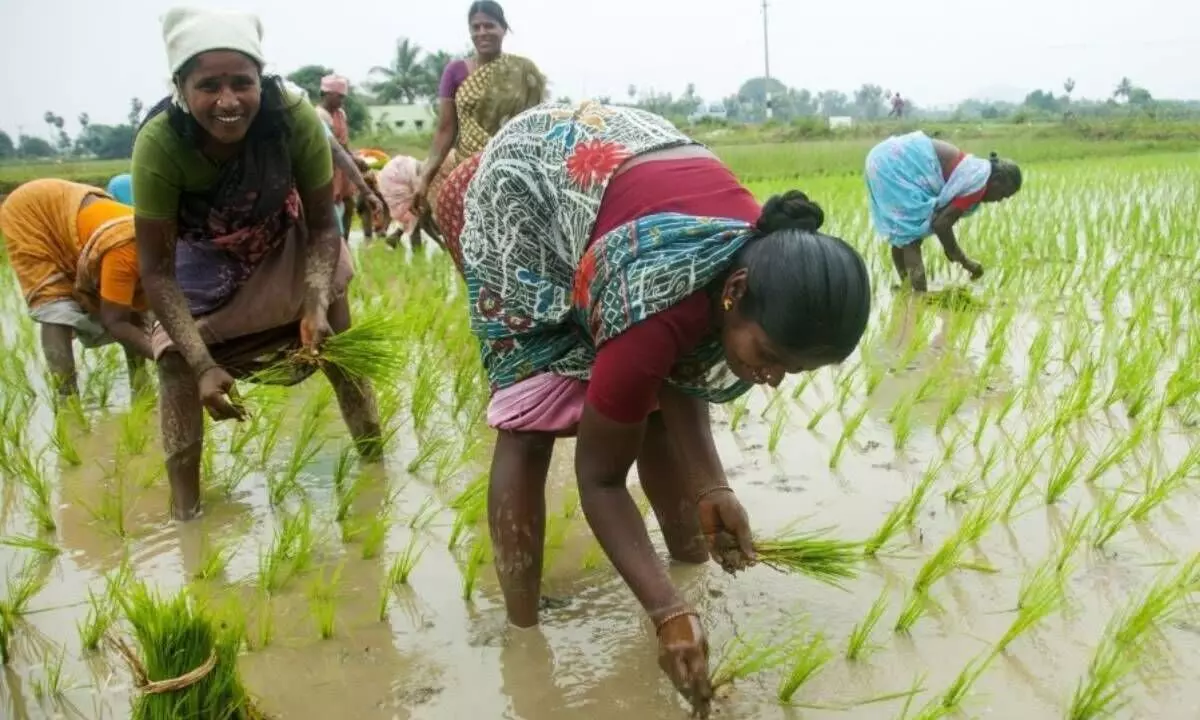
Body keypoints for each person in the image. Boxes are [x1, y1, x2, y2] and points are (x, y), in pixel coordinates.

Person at [438, 100, 871, 713]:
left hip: (616, 188)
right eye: (772, 356)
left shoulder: (758, 256)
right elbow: (600, 480)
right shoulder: (658, 299)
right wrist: (668, 611)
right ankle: (522, 633)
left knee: (652, 400)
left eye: (790, 371)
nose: (772, 379)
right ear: (736, 292)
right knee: (529, 422)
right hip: (528, 190)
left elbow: (683, 372)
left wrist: (713, 488)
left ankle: (684, 564)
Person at [132, 7, 383, 520]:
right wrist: (204, 364)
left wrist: (313, 304)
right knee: (175, 365)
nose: (228, 101)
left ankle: (376, 469)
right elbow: (156, 269)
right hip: (204, 265)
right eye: (209, 86)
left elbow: (321, 226)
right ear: (181, 86)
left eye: (242, 83)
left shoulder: (291, 118)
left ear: (260, 82)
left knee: (341, 341)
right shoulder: (160, 142)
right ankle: (188, 518)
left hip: (283, 245)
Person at [0, 178, 153, 399]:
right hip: (31, 213)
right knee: (55, 305)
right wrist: (166, 356)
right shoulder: (124, 251)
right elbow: (116, 321)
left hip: (74, 210)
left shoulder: (167, 245)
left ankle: (142, 386)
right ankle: (67, 397)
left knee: (136, 305)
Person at [412, 0, 546, 243]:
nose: (482, 33)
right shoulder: (456, 71)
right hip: (470, 173)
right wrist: (424, 179)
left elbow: (536, 127)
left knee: (519, 242)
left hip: (515, 171)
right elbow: (445, 130)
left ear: (504, 29)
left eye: (489, 26)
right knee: (477, 244)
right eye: (476, 27)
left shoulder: (524, 72)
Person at [865, 131, 1022, 292]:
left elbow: (942, 222)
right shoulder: (978, 184)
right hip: (894, 162)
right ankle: (919, 298)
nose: (998, 200)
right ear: (996, 180)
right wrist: (965, 261)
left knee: (903, 235)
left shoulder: (975, 171)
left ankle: (907, 290)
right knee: (911, 238)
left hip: (882, 157)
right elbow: (941, 224)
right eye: (1003, 194)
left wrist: (953, 252)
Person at [315, 74, 358, 241]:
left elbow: (344, 144)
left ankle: (344, 242)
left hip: (343, 167)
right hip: (329, 167)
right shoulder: (320, 115)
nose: (342, 100)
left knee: (348, 204)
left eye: (343, 97)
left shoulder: (340, 114)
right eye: (339, 96)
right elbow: (332, 149)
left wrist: (354, 158)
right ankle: (333, 242)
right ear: (327, 94)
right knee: (331, 206)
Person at [375, 153, 423, 248]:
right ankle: (416, 249)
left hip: (393, 178)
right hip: (396, 180)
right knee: (414, 214)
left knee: (412, 214)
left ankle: (396, 236)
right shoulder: (419, 176)